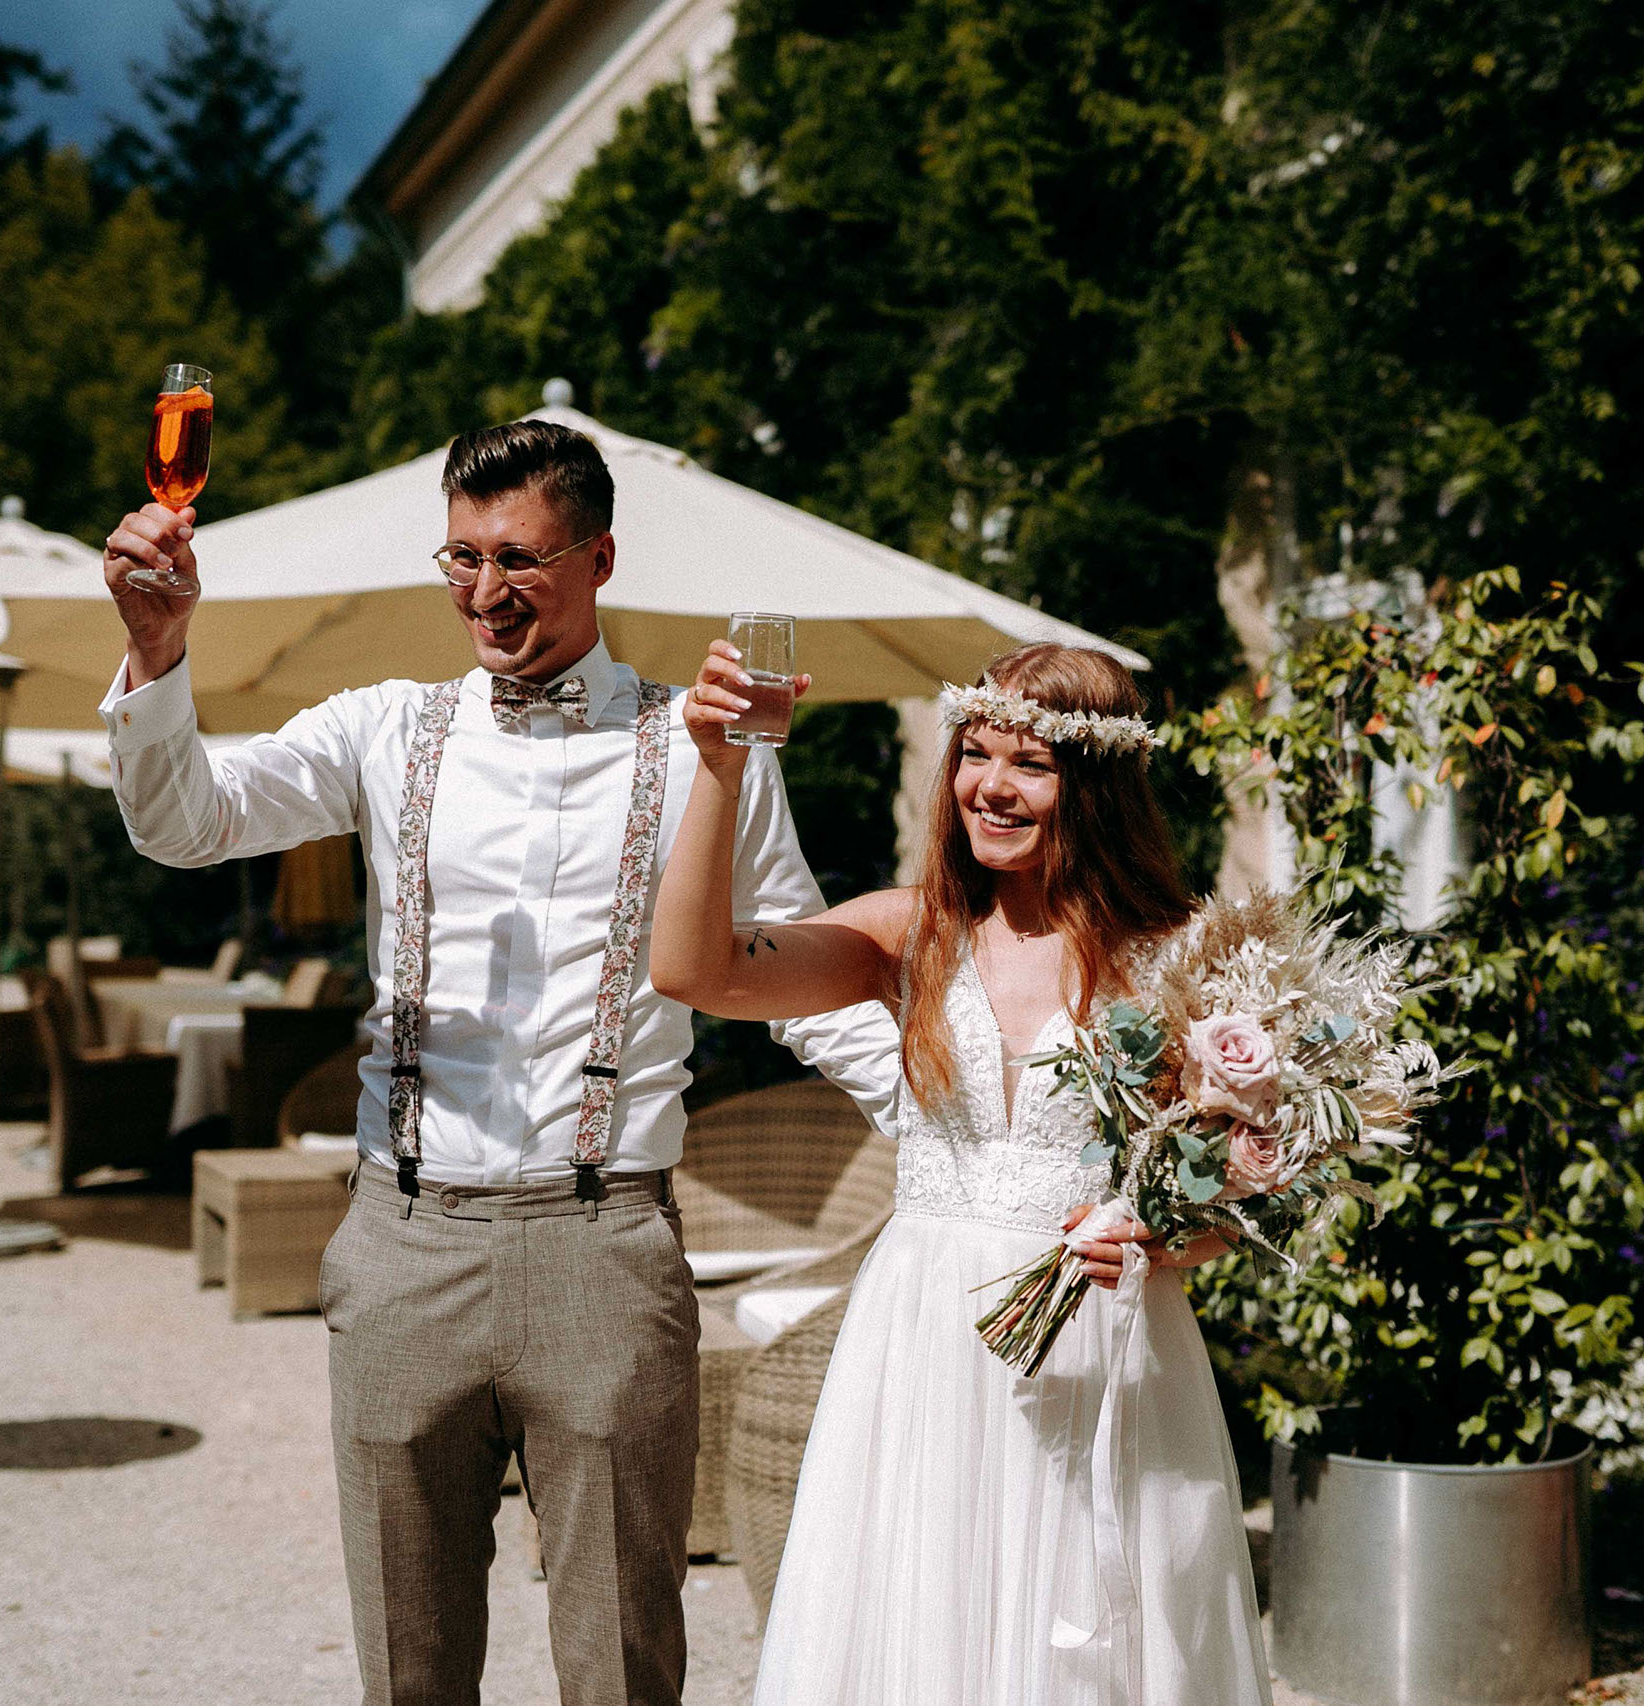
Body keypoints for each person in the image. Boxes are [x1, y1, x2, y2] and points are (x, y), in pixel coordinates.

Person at [96, 418, 900, 1706]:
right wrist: (156, 650)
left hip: (606, 1248)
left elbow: (793, 976)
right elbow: (188, 823)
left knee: (621, 1661)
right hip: (404, 1238)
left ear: (599, 559)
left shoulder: (705, 745)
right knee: (408, 1664)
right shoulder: (383, 727)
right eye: (460, 558)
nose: (484, 591)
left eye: (519, 559)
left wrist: (958, 1126)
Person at [651, 640, 1273, 1705]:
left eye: (1028, 762)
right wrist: (718, 764)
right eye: (972, 753)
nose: (989, 784)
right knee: (917, 1616)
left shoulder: (1177, 956)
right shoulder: (912, 933)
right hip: (924, 1330)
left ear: (1097, 782)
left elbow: (1227, 1188)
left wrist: (1162, 1240)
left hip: (1102, 1344)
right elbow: (693, 969)